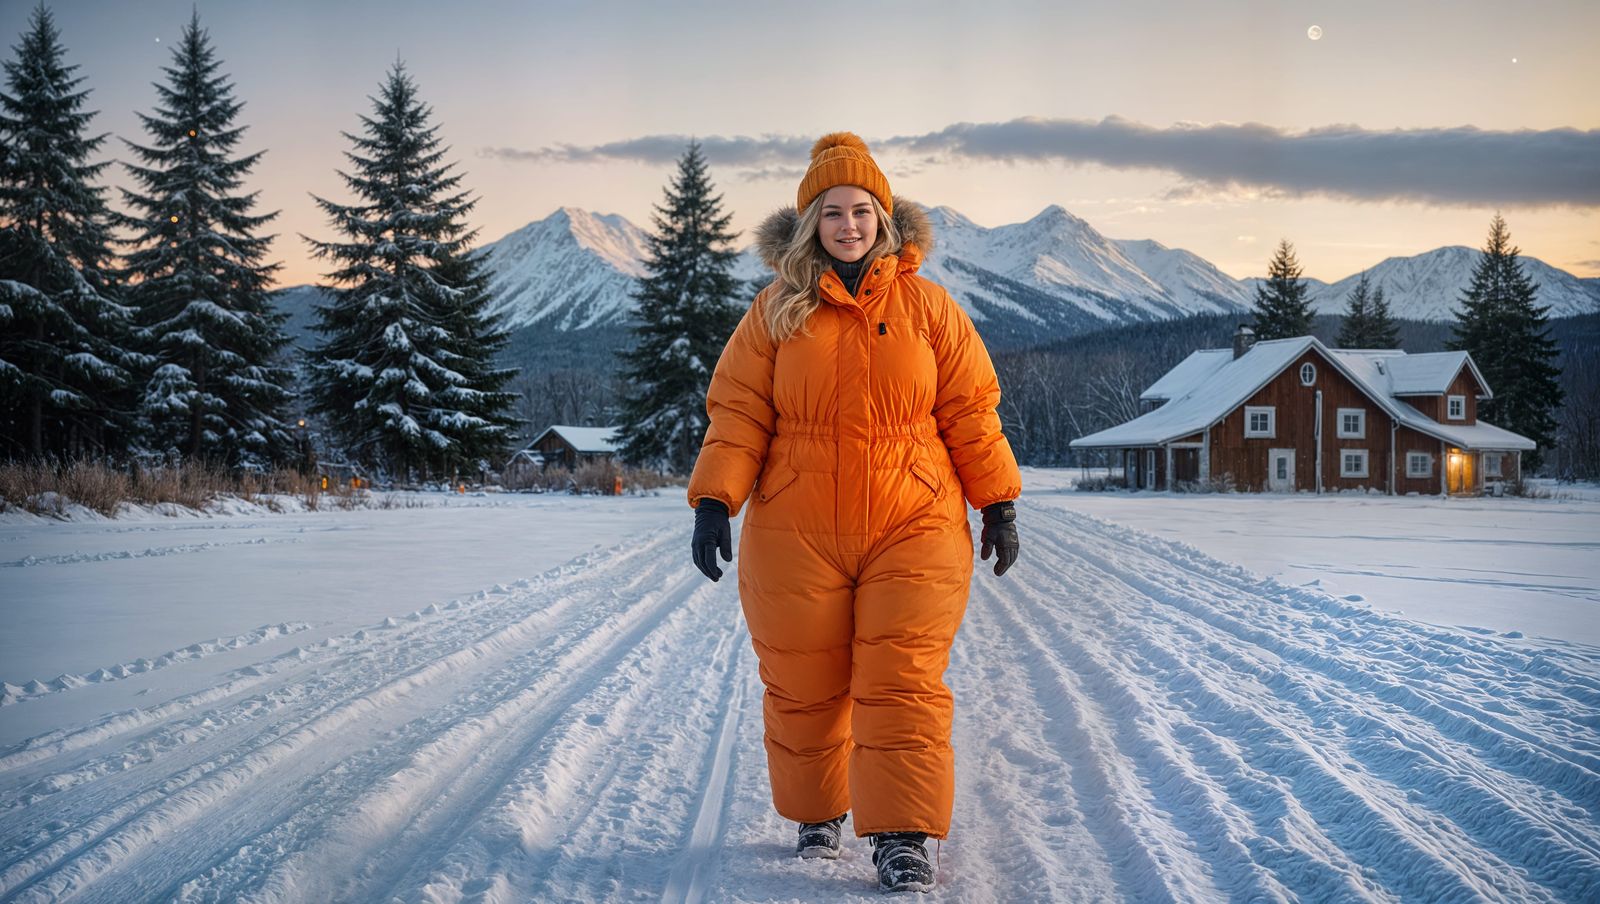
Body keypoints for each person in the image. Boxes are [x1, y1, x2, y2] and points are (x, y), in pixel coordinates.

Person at [687, 132, 1021, 894]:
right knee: (806, 682)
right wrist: (713, 501)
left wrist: (998, 501)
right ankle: (819, 811)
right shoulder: (774, 310)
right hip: (795, 527)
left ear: (886, 218)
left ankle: (903, 836)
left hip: (915, 519)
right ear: (810, 223)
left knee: (900, 679)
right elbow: (737, 412)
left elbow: (971, 409)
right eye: (832, 212)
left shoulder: (931, 308)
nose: (848, 225)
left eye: (862, 210)